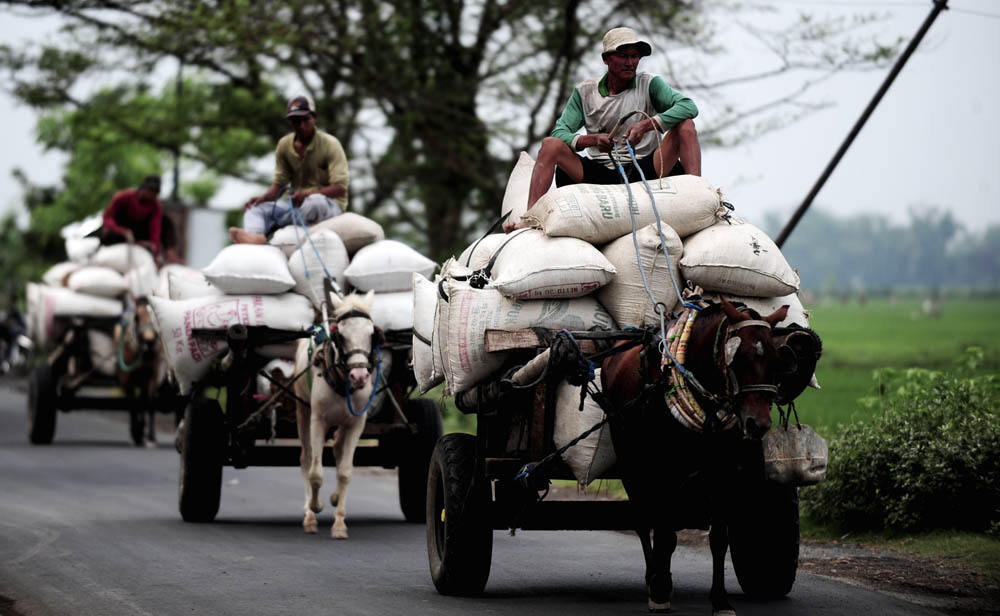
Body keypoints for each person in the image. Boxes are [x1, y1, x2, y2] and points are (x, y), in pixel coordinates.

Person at [510, 27, 701, 231]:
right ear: (606, 59)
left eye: (635, 56)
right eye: (623, 56)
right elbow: (559, 132)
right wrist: (591, 140)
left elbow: (689, 107)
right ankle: (530, 218)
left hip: (646, 167)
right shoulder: (585, 92)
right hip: (599, 174)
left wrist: (646, 125)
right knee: (550, 145)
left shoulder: (649, 84)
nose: (630, 63)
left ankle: (700, 196)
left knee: (686, 124)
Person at [230, 95, 349, 244]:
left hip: (327, 204)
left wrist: (305, 195)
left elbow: (340, 188)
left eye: (306, 120)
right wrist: (263, 198)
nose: (302, 125)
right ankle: (256, 237)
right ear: (290, 123)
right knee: (255, 209)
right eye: (296, 121)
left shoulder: (330, 144)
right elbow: (279, 184)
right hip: (296, 205)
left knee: (314, 202)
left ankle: (280, 224)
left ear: (314, 118)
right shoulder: (284, 145)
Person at [102, 175, 165, 256]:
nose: (151, 194)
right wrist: (120, 230)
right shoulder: (124, 197)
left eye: (154, 192)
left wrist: (154, 245)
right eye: (150, 190)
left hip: (138, 236)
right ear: (143, 188)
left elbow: (155, 228)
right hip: (117, 234)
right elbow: (108, 217)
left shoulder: (156, 207)